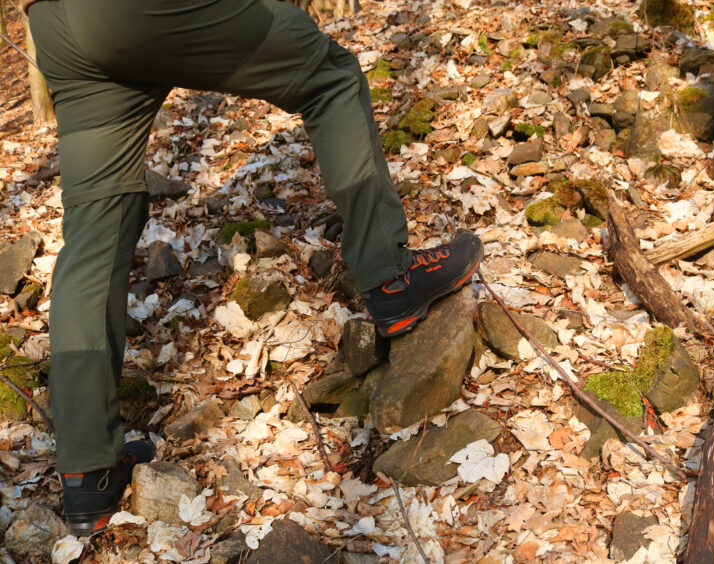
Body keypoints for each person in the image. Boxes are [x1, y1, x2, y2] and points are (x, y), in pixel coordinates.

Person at [24, 0, 483, 535]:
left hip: (56, 25)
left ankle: (86, 470)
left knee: (97, 219)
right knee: (329, 74)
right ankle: (391, 273)